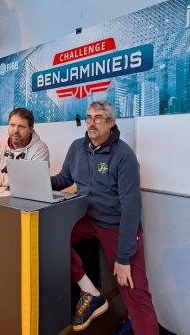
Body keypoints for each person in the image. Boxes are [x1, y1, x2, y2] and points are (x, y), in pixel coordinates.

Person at [51, 100, 158, 334]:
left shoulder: (124, 156)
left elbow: (131, 207)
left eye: (98, 118)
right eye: (89, 118)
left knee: (134, 290)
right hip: (86, 219)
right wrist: (35, 179)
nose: (91, 123)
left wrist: (123, 257)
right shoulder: (77, 147)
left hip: (116, 226)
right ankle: (89, 291)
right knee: (50, 236)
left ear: (111, 122)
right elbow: (64, 179)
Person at [0, 107, 49, 189]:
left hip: (24, 198)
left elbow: (30, 181)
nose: (15, 130)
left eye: (21, 126)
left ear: (31, 129)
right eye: (12, 125)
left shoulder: (40, 149)